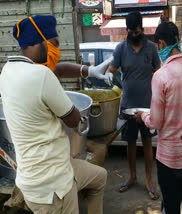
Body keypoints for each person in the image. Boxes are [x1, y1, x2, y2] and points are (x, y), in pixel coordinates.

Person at [0, 15, 108, 213]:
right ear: (39, 41)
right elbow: (74, 119)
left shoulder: (8, 71)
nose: (56, 50)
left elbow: (58, 69)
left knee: (99, 177)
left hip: (37, 175)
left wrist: (90, 71)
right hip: (51, 188)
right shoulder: (42, 76)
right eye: (54, 44)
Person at [136, 21, 182, 214]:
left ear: (162, 44)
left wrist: (143, 116)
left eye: (158, 46)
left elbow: (156, 122)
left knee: (171, 207)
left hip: (170, 158)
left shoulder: (161, 76)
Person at [106, 11, 161, 199]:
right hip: (128, 106)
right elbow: (111, 70)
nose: (134, 35)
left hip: (147, 106)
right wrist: (112, 81)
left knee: (147, 143)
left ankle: (149, 181)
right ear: (127, 30)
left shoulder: (151, 48)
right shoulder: (120, 49)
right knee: (130, 143)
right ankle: (132, 177)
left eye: (137, 32)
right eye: (131, 32)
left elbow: (159, 72)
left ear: (142, 30)